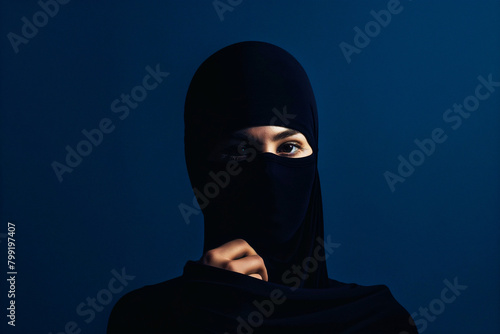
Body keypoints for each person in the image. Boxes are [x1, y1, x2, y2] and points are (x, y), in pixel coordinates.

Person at [107, 41, 418, 333]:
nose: (269, 173)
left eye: (289, 148)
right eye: (238, 152)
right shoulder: (149, 318)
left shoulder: (378, 321)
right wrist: (206, 314)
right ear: (200, 168)